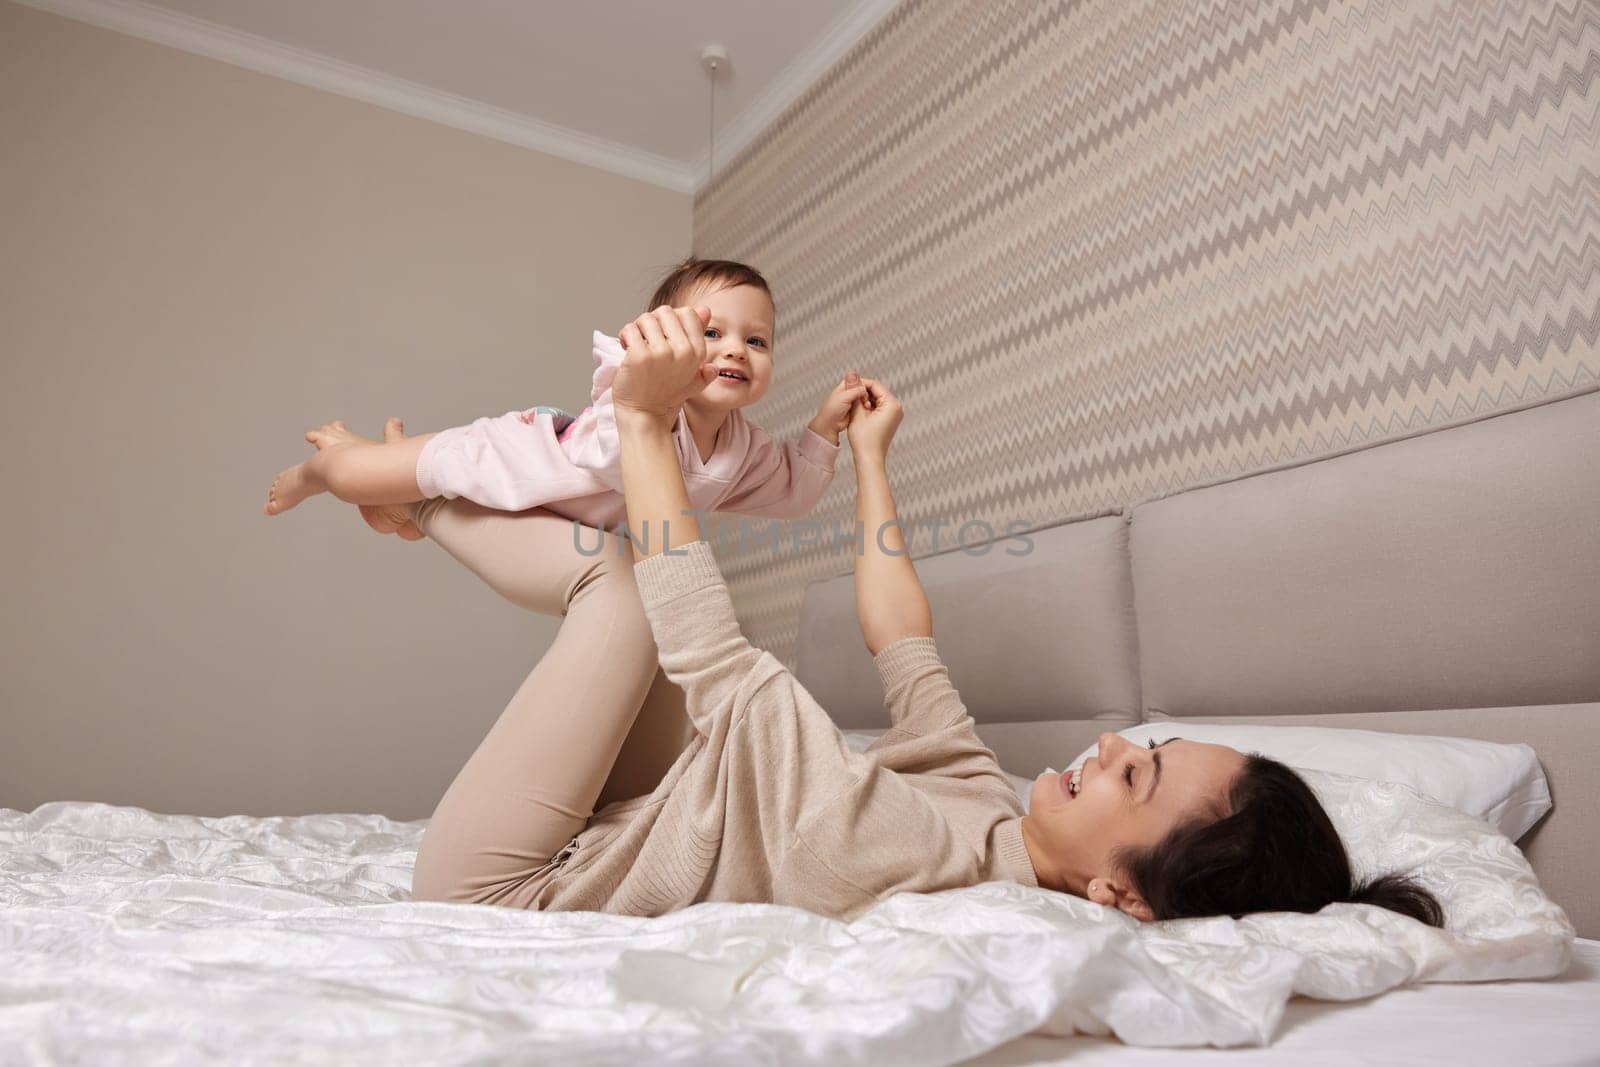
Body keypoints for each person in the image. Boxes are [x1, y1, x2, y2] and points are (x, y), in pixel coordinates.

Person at [394, 298, 1444, 928]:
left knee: (625, 596)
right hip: (627, 816)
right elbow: (904, 636)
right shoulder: (980, 803)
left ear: (1120, 895)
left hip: (508, 888)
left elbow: (708, 648)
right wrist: (868, 461)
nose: (1115, 741)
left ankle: (419, 498)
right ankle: (417, 495)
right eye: (1144, 743)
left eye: (1137, 776)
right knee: (640, 608)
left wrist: (638, 417)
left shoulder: (907, 853)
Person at [262, 258, 870, 528]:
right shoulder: (635, 398)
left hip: (547, 521)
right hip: (509, 455)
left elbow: (791, 496)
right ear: (665, 336)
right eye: (711, 332)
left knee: (415, 508)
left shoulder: (746, 450)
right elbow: (616, 453)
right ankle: (322, 464)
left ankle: (395, 501)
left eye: (756, 341)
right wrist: (644, 381)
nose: (736, 349)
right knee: (361, 477)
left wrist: (823, 429)